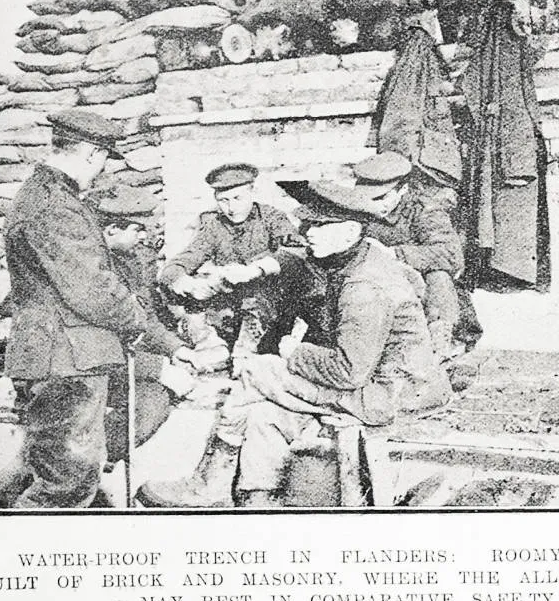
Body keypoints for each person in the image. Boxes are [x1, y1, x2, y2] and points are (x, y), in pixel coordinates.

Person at [138, 181, 452, 508]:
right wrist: (253, 270)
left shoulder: (365, 287)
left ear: (350, 231)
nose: (308, 233)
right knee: (263, 413)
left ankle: (208, 485)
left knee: (256, 370)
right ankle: (258, 498)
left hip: (389, 394)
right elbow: (296, 257)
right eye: (307, 224)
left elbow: (348, 372)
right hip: (381, 382)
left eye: (318, 226)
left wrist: (293, 352)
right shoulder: (356, 253)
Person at [2, 110, 149, 509]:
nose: (100, 171)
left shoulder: (44, 196)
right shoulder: (55, 206)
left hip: (58, 356)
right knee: (65, 487)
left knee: (51, 473)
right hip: (67, 361)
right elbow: (92, 287)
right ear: (89, 154)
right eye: (102, 160)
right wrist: (136, 319)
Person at [91, 185, 220, 463]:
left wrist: (177, 350)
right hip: (87, 368)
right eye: (138, 230)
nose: (144, 237)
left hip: (119, 363)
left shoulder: (129, 261)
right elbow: (98, 343)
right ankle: (79, 465)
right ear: (112, 229)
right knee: (150, 403)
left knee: (155, 401)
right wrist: (159, 368)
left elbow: (144, 318)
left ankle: (97, 460)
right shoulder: (92, 269)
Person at [158, 163, 300, 369]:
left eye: (237, 198)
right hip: (232, 306)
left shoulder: (272, 218)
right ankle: (209, 346)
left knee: (259, 293)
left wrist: (256, 270)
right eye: (223, 201)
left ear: (253, 192)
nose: (231, 208)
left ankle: (246, 356)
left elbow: (295, 253)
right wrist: (183, 281)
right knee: (189, 293)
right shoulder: (215, 226)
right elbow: (181, 262)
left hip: (272, 306)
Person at [351, 151, 465, 360]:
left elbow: (451, 255)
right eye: (367, 198)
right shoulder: (354, 206)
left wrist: (395, 253)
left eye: (381, 198)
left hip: (418, 286)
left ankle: (440, 349)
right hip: (372, 282)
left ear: (403, 189)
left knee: (438, 276)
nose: (374, 204)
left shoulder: (426, 209)